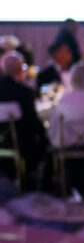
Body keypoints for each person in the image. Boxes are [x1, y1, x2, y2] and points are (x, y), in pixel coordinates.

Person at [0, 51, 48, 182]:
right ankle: (33, 174)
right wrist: (45, 131)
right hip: (22, 142)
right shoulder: (25, 92)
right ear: (20, 69)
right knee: (44, 139)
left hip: (2, 139)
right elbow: (32, 121)